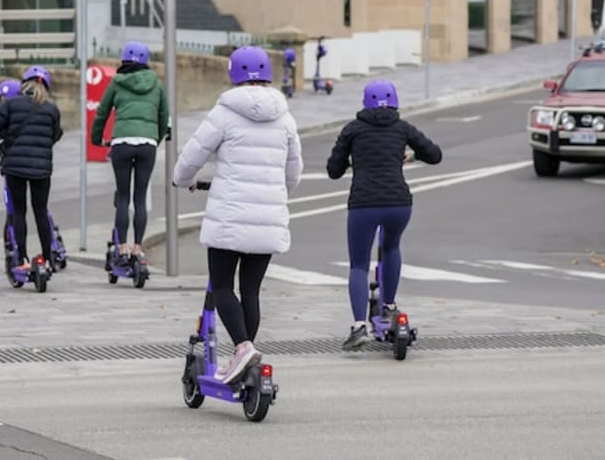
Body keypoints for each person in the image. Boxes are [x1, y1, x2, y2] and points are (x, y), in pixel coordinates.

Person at [173, 46, 303, 383]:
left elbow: (192, 155)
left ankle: (243, 347)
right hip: (269, 216)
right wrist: (276, 198)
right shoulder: (285, 118)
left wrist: (182, 180)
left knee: (220, 286)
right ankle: (246, 355)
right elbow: (294, 173)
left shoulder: (225, 113)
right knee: (251, 291)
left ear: (234, 73)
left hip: (230, 216)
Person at [326, 80, 442, 351]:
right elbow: (434, 155)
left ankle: (358, 326)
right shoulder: (403, 128)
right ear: (395, 101)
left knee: (358, 264)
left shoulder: (352, 129)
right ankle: (388, 306)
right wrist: (408, 156)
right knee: (391, 247)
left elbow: (333, 170)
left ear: (365, 102)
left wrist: (353, 159)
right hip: (398, 204)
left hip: (364, 204)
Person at [0, 66, 63, 273]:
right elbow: (55, 135)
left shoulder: (11, 105)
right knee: (41, 212)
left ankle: (21, 259)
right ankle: (48, 259)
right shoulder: (51, 109)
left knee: (19, 212)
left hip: (15, 167)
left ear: (23, 85)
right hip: (42, 169)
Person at [91, 41, 168, 262]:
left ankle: (122, 248)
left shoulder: (117, 82)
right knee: (140, 197)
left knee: (123, 196)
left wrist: (98, 140)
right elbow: (164, 116)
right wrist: (155, 138)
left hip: (122, 142)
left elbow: (101, 113)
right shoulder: (157, 84)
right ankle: (137, 248)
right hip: (147, 144)